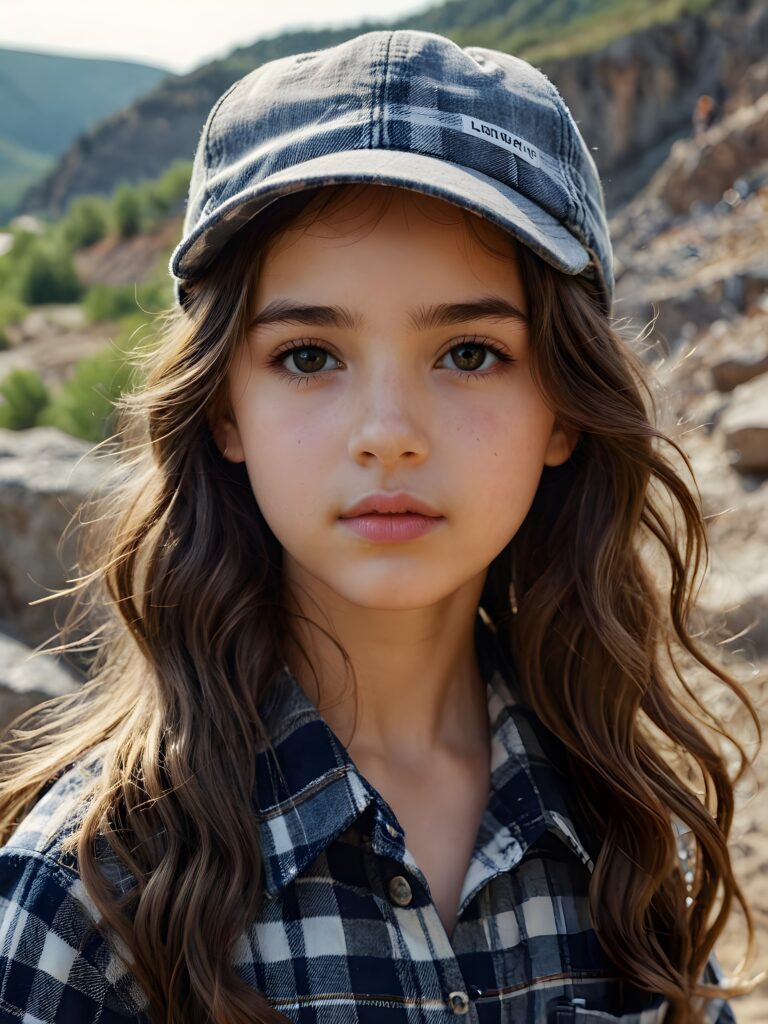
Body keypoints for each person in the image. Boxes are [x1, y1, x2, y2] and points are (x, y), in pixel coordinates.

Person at [0, 28, 762, 1024]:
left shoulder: (628, 833)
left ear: (566, 408)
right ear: (225, 409)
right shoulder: (85, 895)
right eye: (311, 356)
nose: (389, 435)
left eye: (471, 352)